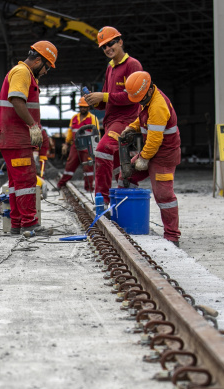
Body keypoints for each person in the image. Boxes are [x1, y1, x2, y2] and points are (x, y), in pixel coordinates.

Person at [0, 41, 58, 236]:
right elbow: (17, 100)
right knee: (27, 180)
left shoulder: (25, 74)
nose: (45, 72)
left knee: (16, 183)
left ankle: (17, 224)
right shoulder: (22, 72)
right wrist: (33, 126)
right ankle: (30, 223)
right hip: (15, 136)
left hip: (13, 137)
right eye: (46, 67)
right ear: (38, 61)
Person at [121, 70, 181, 246]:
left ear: (148, 90)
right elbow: (142, 121)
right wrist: (131, 128)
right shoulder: (146, 99)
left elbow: (154, 140)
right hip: (152, 151)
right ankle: (128, 220)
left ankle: (172, 236)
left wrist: (144, 158)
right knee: (126, 175)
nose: (138, 101)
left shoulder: (158, 106)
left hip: (164, 155)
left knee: (164, 196)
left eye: (139, 98)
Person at [83, 27, 143, 205]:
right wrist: (95, 100)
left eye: (111, 44)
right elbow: (106, 99)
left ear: (120, 42)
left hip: (126, 120)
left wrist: (103, 97)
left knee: (103, 150)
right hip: (111, 122)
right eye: (104, 46)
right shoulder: (110, 67)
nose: (108, 48)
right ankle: (125, 199)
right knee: (118, 167)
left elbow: (133, 96)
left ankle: (102, 201)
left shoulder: (132, 65)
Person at [57, 97, 100, 192]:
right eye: (81, 107)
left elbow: (96, 134)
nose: (82, 109)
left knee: (88, 168)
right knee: (69, 166)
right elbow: (70, 132)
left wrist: (95, 147)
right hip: (75, 146)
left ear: (88, 107)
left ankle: (89, 188)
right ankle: (60, 185)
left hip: (87, 148)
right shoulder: (74, 118)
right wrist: (66, 144)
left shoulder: (93, 118)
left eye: (84, 107)